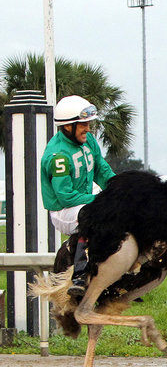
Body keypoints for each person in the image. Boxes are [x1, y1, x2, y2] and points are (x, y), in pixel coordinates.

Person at [40, 95, 116, 298]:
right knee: (94, 214)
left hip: (83, 200)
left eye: (88, 123)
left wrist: (118, 188)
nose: (88, 128)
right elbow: (66, 197)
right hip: (63, 211)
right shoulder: (58, 156)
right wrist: (100, 199)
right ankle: (80, 275)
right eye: (83, 124)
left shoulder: (88, 140)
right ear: (67, 126)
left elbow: (102, 170)